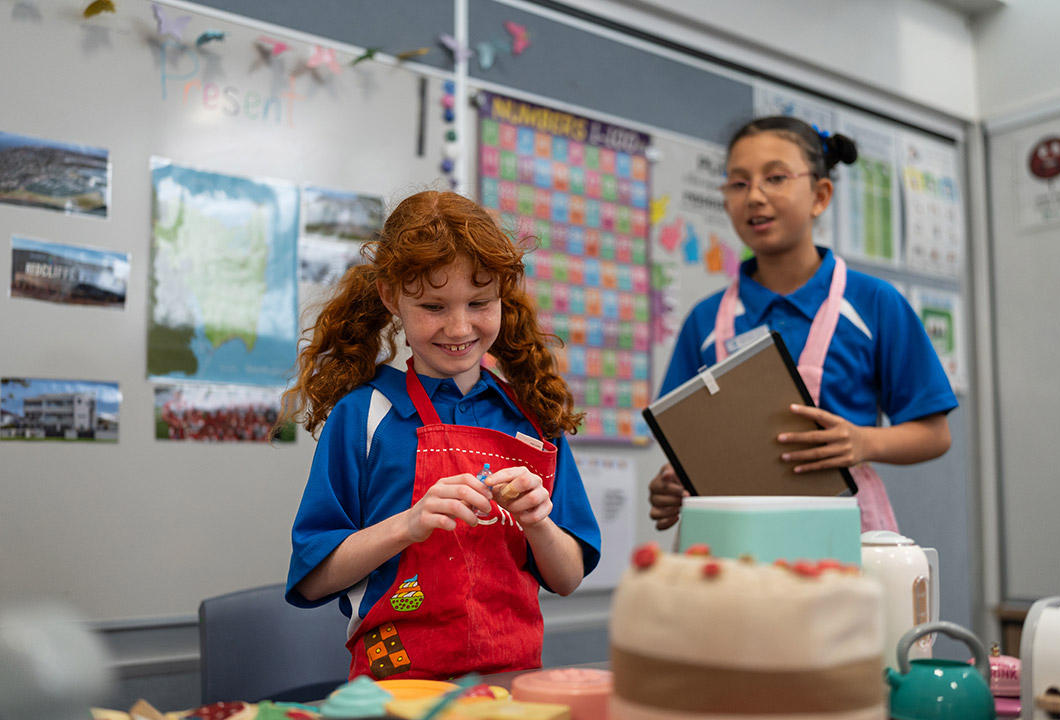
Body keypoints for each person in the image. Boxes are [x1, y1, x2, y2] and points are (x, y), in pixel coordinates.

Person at [279, 190, 601, 682]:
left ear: (502, 294)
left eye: (479, 302)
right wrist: (408, 525)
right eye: (433, 305)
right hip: (396, 689)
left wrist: (538, 522)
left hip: (511, 686)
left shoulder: (533, 417)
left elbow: (568, 577)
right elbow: (313, 579)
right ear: (391, 297)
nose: (458, 326)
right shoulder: (363, 415)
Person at [648, 116, 958, 533]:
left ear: (820, 195)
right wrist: (674, 482)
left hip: (845, 532)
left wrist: (864, 441)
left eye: (775, 177)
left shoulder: (874, 303)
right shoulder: (705, 319)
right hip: (731, 536)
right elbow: (686, 439)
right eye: (738, 183)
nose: (754, 196)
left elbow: (935, 433)